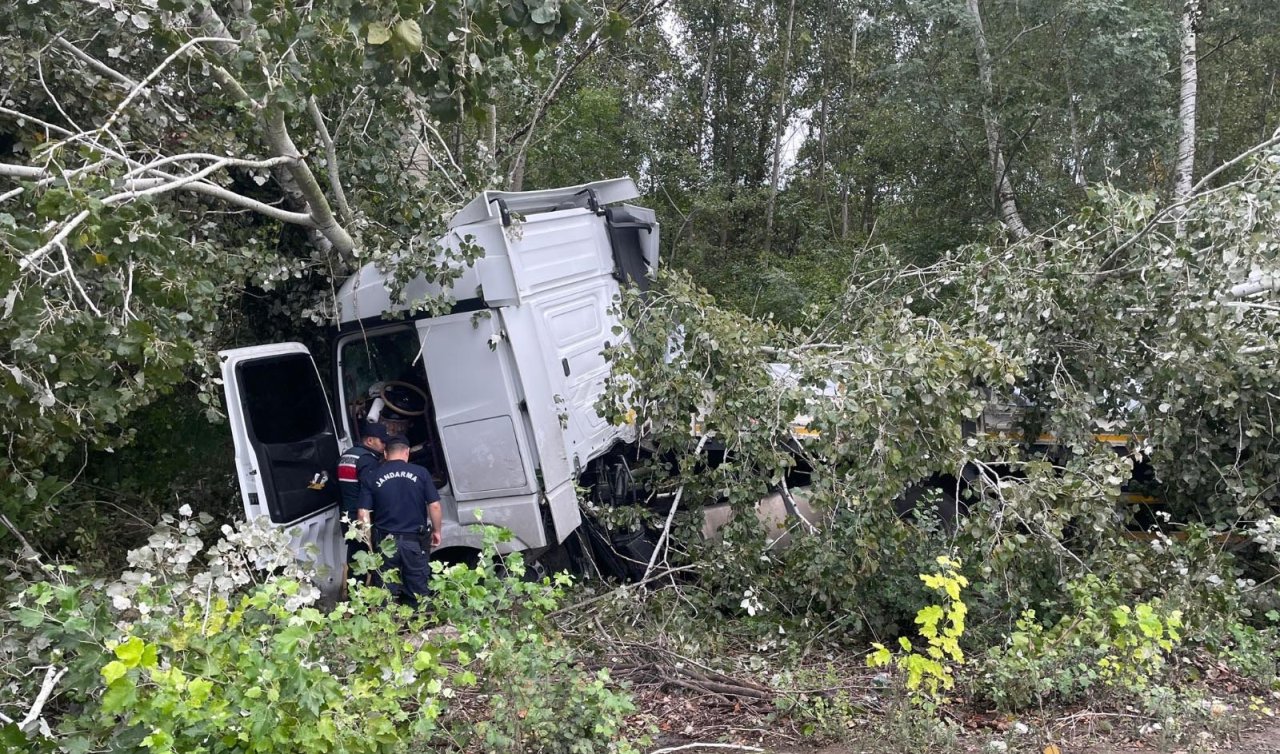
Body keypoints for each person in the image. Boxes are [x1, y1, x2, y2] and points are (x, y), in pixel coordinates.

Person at [357, 434, 442, 607]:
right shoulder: (421, 473)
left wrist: (368, 542)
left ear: (386, 454)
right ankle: (420, 627)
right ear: (407, 452)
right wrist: (436, 531)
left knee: (384, 590)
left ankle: (386, 629)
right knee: (418, 590)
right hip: (414, 541)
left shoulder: (372, 476)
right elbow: (434, 506)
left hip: (385, 543)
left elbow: (362, 513)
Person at [337, 422, 387, 568]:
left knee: (355, 560)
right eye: (382, 441)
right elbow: (371, 491)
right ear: (370, 441)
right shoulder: (367, 460)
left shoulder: (346, 455)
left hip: (348, 517)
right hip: (364, 518)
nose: (384, 445)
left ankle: (354, 589)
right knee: (371, 561)